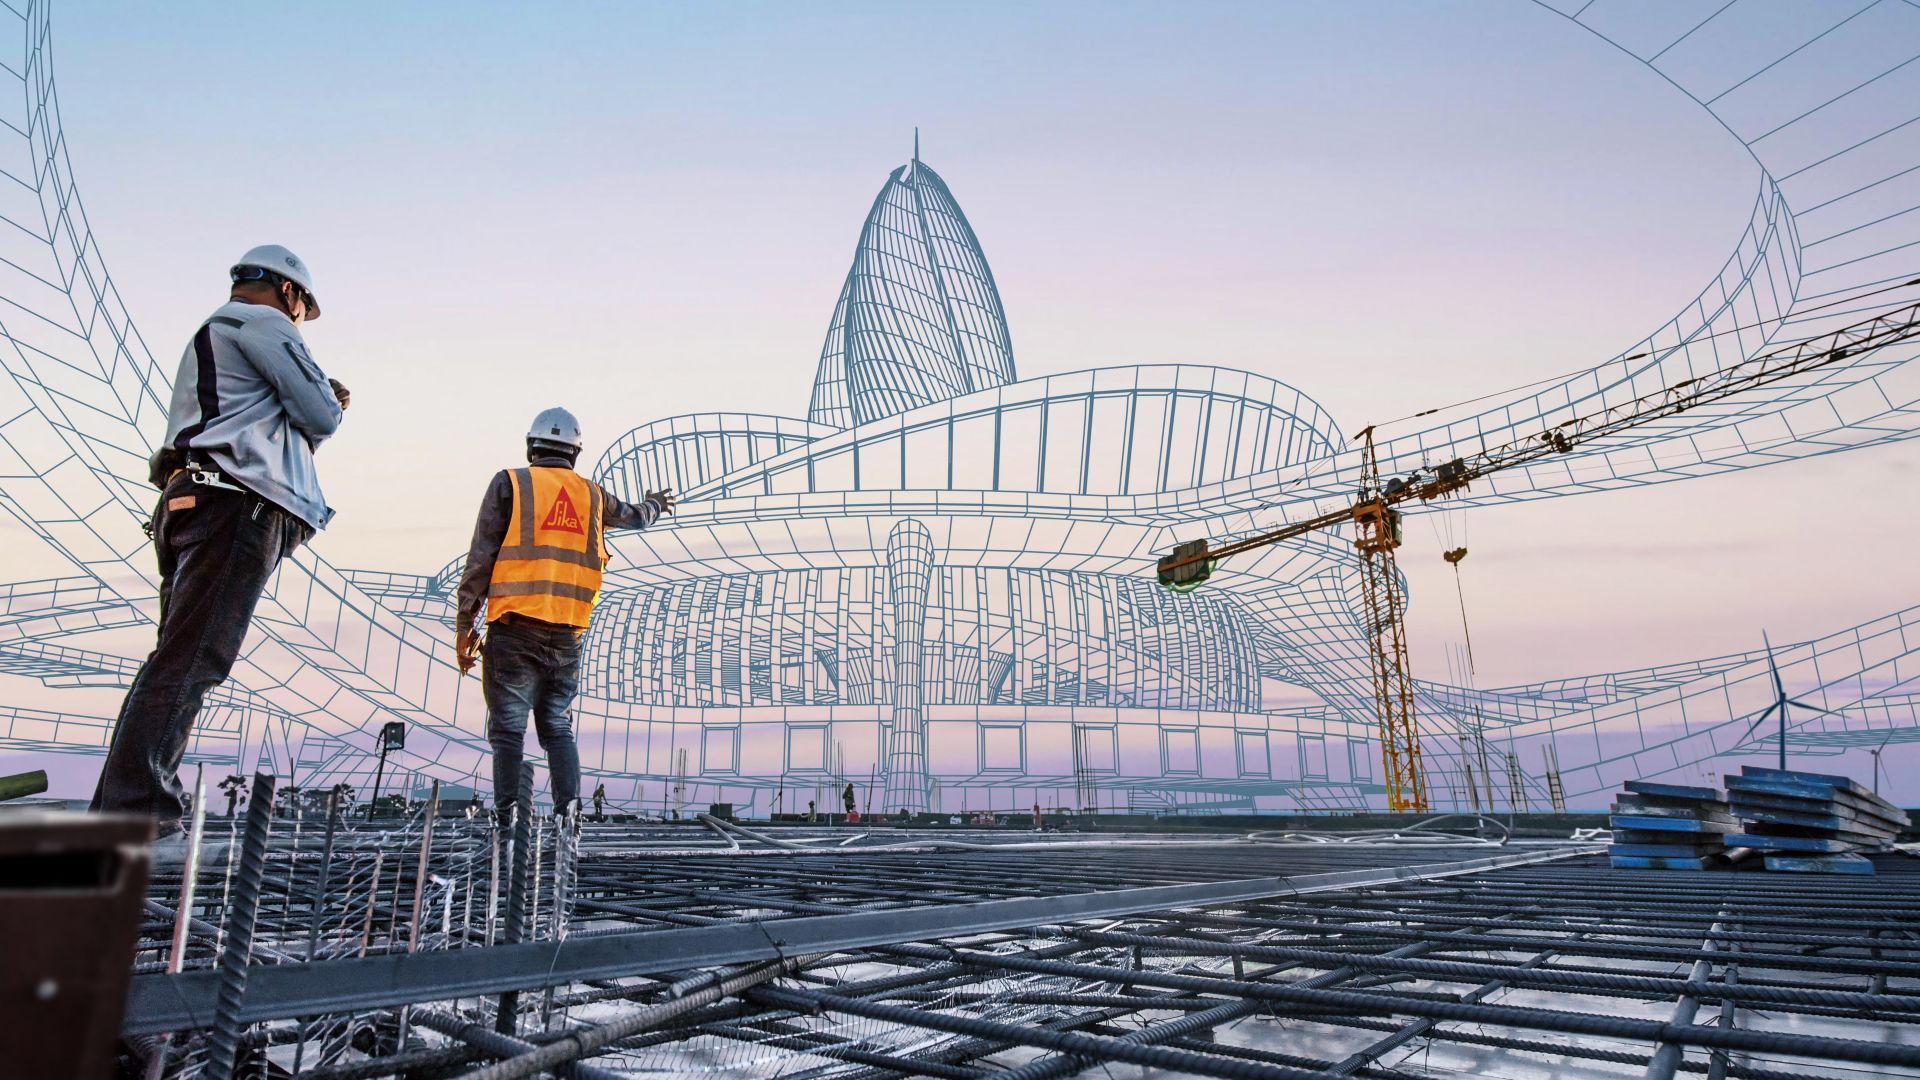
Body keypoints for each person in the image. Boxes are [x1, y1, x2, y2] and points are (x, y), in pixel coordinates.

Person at [91, 246, 344, 843]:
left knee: (176, 659)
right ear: (289, 293)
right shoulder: (263, 323)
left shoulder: (219, 333)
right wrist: (328, 398)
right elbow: (320, 414)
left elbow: (273, 422)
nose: (301, 321)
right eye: (303, 309)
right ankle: (137, 815)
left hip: (193, 499)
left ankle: (121, 811)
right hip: (233, 505)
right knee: (193, 659)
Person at [456, 408, 673, 822]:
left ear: (530, 446)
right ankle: (567, 815)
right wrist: (655, 504)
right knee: (556, 726)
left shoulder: (511, 484)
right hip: (568, 634)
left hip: (514, 626)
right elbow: (635, 517)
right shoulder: (592, 495)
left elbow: (481, 557)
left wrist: (465, 626)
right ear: (575, 452)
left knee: (507, 732)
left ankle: (507, 820)